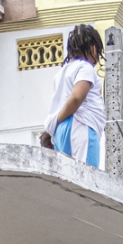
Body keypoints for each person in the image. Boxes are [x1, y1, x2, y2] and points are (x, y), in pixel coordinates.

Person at [39, 24, 106, 168]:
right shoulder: (85, 67)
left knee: (68, 178)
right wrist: (58, 119)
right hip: (82, 125)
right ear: (94, 48)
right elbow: (76, 98)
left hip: (61, 132)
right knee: (87, 178)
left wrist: (53, 125)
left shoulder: (61, 73)